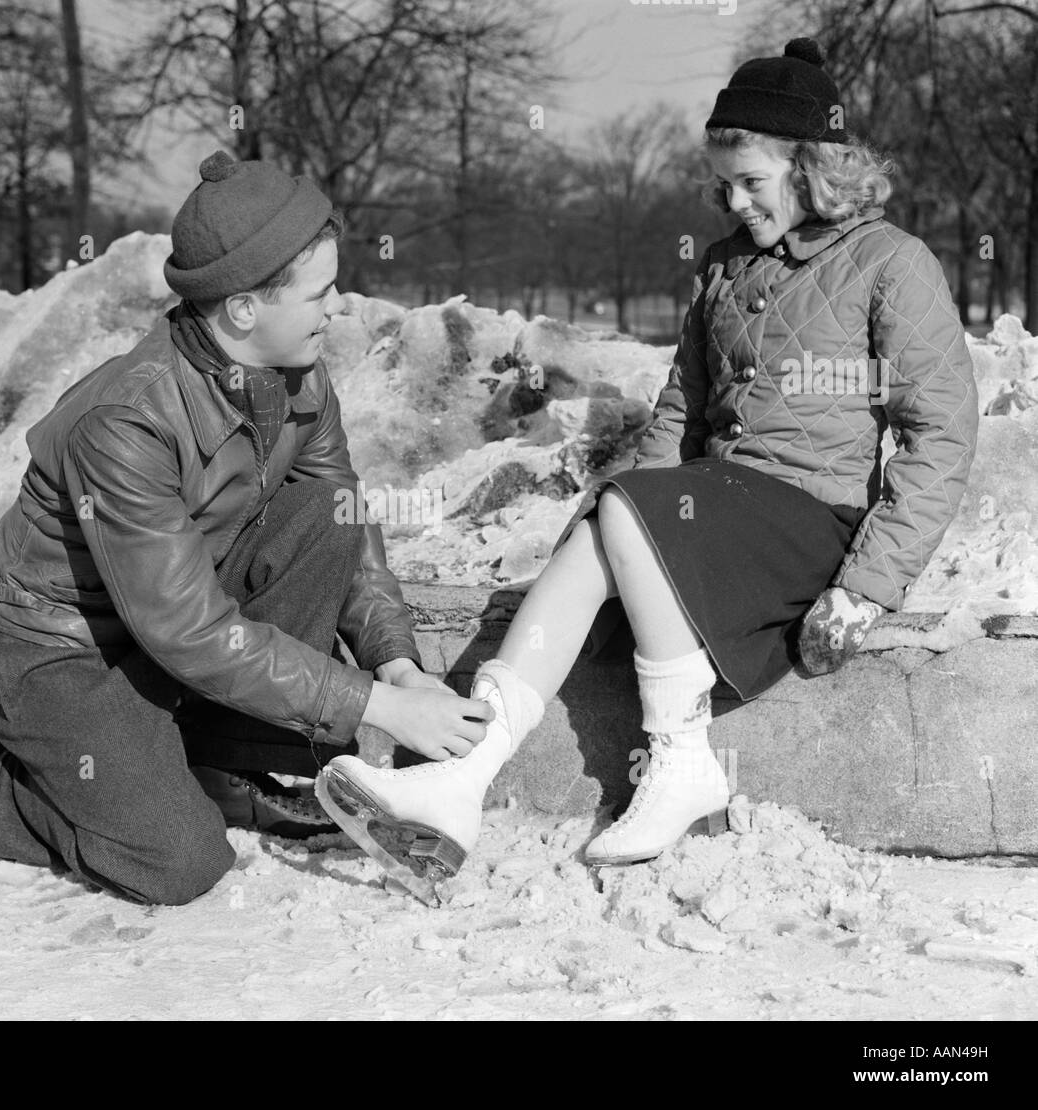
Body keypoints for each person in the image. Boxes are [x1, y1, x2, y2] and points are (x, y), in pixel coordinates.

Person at [318, 38, 979, 888]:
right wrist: (605, 525)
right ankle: (462, 779)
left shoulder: (892, 263)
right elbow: (679, 414)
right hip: (715, 511)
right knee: (607, 525)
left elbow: (942, 435)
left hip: (813, 527)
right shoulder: (720, 268)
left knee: (629, 511)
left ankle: (682, 759)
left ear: (813, 167)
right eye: (724, 184)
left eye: (754, 181)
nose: (734, 202)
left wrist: (870, 585)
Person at [0, 150, 492, 905]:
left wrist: (399, 663)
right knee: (181, 864)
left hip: (171, 631)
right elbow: (192, 633)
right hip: (66, 653)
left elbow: (341, 520)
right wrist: (381, 706)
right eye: (321, 293)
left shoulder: (301, 373)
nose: (339, 307)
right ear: (244, 308)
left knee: (325, 515)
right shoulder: (128, 422)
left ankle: (195, 755)